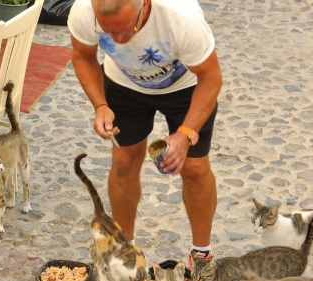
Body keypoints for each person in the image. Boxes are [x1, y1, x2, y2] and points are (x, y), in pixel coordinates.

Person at [67, 0, 222, 267]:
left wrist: (185, 133)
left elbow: (211, 78)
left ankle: (201, 253)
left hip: (187, 88)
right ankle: (127, 250)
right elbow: (82, 55)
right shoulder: (83, 11)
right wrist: (100, 105)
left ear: (145, 5)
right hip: (124, 85)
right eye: (108, 32)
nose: (118, 39)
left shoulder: (181, 19)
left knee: (195, 168)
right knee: (125, 161)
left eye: (127, 30)